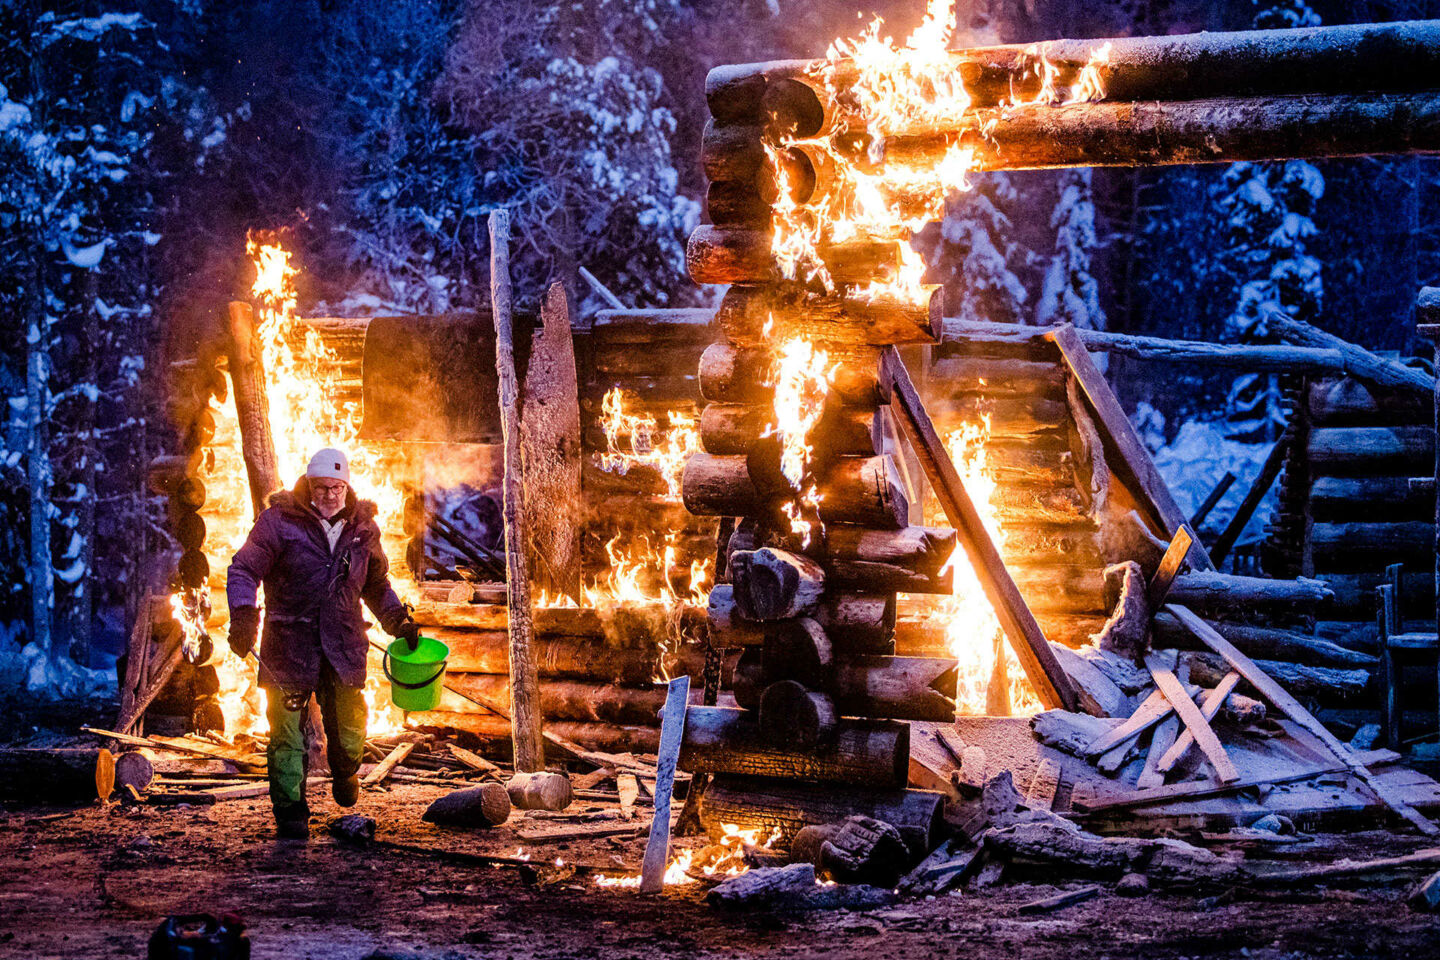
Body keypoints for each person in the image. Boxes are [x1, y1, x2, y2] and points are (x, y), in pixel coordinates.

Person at [226, 448, 420, 839]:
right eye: (321, 487)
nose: (330, 495)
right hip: (288, 645)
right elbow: (244, 569)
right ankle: (291, 812)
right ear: (308, 486)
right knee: (286, 735)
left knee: (350, 733)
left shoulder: (363, 529)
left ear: (346, 486)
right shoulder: (278, 523)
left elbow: (376, 584)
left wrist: (396, 619)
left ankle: (345, 770)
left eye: (337, 487)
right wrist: (244, 615)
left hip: (344, 646)